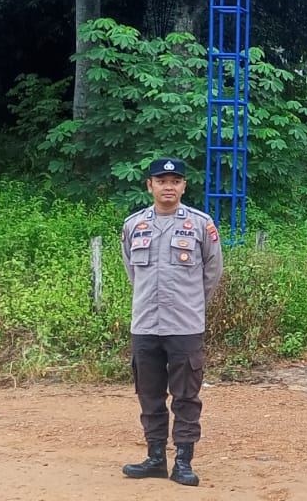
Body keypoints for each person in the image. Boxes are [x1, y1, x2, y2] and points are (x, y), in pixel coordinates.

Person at [120, 158, 224, 487]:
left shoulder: (200, 224)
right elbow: (132, 273)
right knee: (149, 394)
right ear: (149, 185)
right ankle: (154, 458)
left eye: (175, 181)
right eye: (161, 180)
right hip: (146, 325)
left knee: (186, 396)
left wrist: (191, 304)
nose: (169, 186)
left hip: (185, 326)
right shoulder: (133, 225)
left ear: (183, 186)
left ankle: (183, 461)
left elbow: (212, 271)